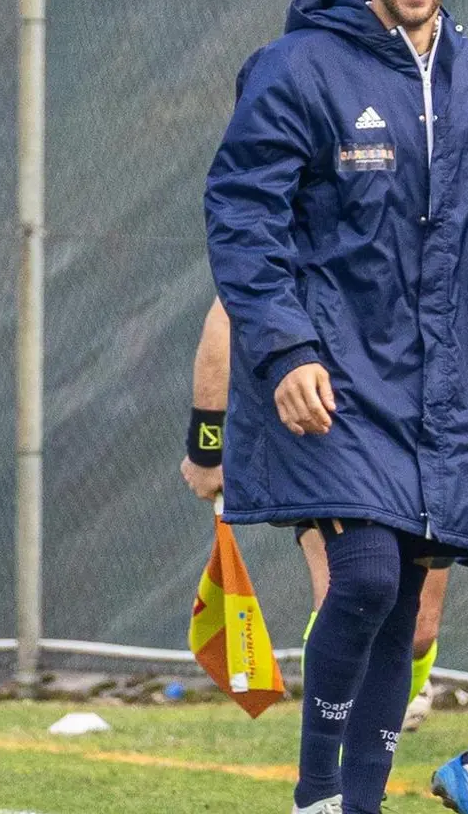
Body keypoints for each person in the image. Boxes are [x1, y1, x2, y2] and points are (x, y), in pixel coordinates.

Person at [205, 0, 468, 814]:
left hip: (448, 395)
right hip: (332, 376)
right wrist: (286, 349)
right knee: (361, 578)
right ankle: (316, 804)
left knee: (406, 603)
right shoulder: (297, 69)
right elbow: (244, 219)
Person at [181, 299, 447, 732]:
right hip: (327, 427)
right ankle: (328, 778)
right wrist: (206, 443)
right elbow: (227, 312)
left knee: (419, 629)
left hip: (420, 426)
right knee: (349, 595)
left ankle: (372, 748)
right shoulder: (288, 235)